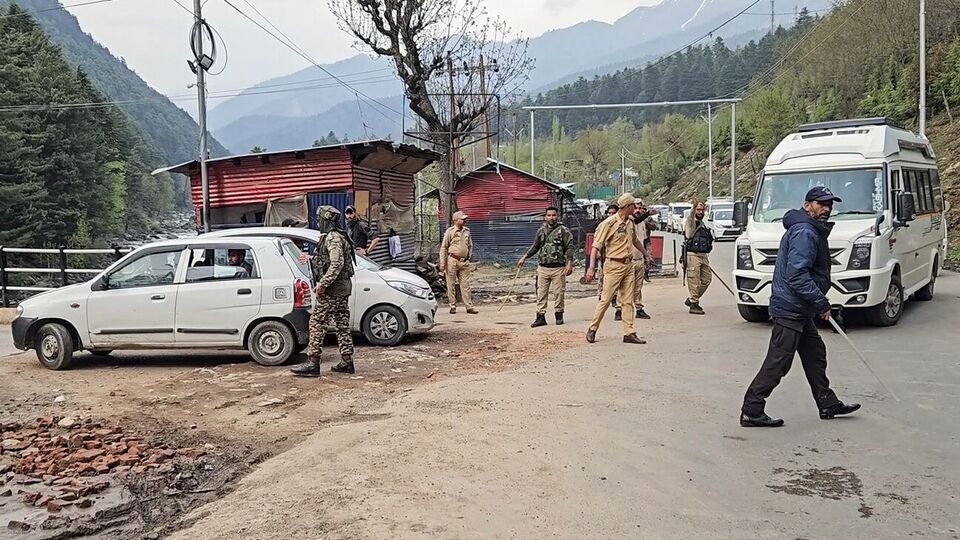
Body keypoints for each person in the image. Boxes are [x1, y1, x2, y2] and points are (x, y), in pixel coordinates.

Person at [740, 187, 861, 428]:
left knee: (815, 354)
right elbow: (797, 275)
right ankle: (751, 410)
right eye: (821, 204)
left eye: (829, 204)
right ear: (807, 206)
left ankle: (827, 402)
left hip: (798, 308)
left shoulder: (810, 229)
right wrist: (821, 303)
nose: (826, 208)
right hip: (790, 308)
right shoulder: (805, 232)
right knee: (779, 361)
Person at [291, 206, 357, 377]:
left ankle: (313, 363)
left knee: (317, 323)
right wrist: (312, 259)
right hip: (342, 289)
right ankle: (347, 361)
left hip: (332, 291)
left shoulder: (332, 238)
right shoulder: (338, 236)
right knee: (342, 325)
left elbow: (337, 264)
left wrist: (323, 285)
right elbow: (329, 261)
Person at [583, 194, 654, 345]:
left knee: (628, 300)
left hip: (628, 265)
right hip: (613, 265)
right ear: (627, 207)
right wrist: (591, 267)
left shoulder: (630, 222)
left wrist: (646, 254)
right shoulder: (609, 224)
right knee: (606, 299)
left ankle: (629, 332)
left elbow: (635, 241)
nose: (636, 208)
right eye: (633, 206)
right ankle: (593, 328)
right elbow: (596, 246)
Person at [518, 206, 574, 327]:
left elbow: (569, 246)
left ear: (557, 216)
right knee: (541, 293)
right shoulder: (541, 231)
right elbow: (535, 246)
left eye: (553, 215)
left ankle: (559, 315)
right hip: (543, 268)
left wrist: (569, 263)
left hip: (558, 268)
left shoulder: (564, 231)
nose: (551, 218)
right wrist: (524, 257)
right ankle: (540, 317)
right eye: (549, 215)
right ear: (545, 217)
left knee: (559, 293)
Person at [439, 211, 478, 315]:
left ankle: (469, 306)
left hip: (464, 262)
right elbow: (444, 247)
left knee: (466, 285)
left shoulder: (467, 231)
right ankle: (452, 306)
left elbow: (470, 245)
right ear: (456, 220)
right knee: (450, 284)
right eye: (462, 219)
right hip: (452, 260)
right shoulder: (450, 232)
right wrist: (442, 263)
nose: (465, 220)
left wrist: (468, 256)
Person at [684, 200, 713, 315]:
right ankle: (694, 304)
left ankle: (692, 299)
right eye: (698, 210)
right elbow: (691, 216)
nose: (700, 212)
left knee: (707, 279)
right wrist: (693, 208)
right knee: (694, 280)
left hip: (703, 255)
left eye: (702, 210)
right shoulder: (691, 222)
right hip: (693, 255)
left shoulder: (703, 223)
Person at [596, 204, 623, 321]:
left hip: (617, 260)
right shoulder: (602, 226)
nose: (611, 216)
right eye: (609, 213)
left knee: (620, 286)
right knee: (603, 283)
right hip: (604, 259)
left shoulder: (622, 226)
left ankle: (618, 308)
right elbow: (597, 242)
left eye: (613, 213)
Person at [631, 202, 658, 320]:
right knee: (625, 287)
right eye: (635, 208)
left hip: (639, 259)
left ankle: (639, 308)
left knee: (638, 286)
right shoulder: (628, 221)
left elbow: (645, 240)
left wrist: (648, 255)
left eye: (640, 208)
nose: (638, 210)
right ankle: (619, 309)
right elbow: (635, 220)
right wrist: (647, 214)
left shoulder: (642, 223)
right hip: (627, 260)